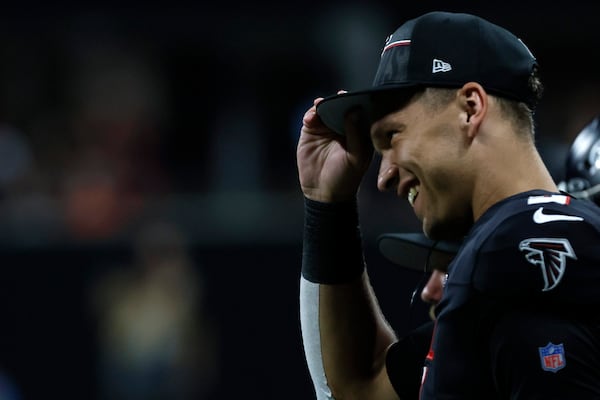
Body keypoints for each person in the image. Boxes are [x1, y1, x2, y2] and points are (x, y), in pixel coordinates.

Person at [297, 11, 600, 400]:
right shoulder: (512, 251)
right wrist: (328, 207)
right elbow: (358, 386)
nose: (382, 176)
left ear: (471, 108)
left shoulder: (513, 247)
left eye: (392, 136)